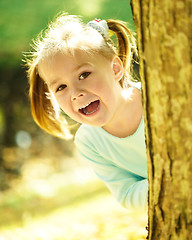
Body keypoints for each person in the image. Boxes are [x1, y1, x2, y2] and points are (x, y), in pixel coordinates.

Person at [25, 13, 148, 211]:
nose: (76, 93)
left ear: (115, 68)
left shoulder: (156, 99)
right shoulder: (89, 141)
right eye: (61, 87)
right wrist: (171, 181)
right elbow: (126, 193)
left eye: (84, 75)